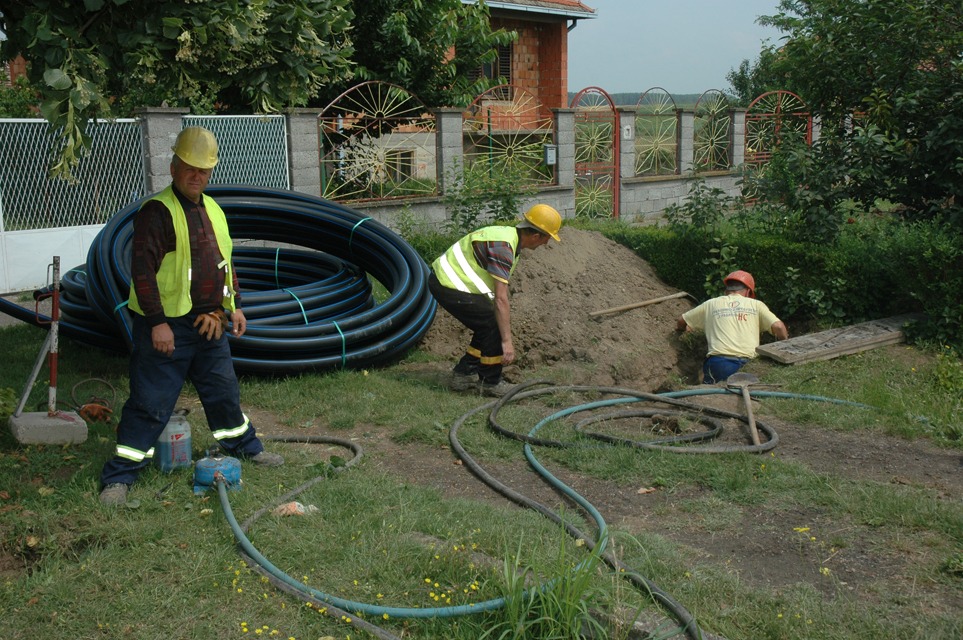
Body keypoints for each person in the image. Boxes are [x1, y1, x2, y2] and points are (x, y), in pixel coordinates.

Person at [99, 127, 283, 506]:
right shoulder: (157, 212)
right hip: (167, 327)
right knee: (151, 401)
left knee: (223, 393)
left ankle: (245, 447)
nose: (196, 176)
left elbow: (224, 265)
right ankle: (120, 476)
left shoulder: (212, 208)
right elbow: (143, 273)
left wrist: (230, 308)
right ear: (173, 166)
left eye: (204, 170)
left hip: (209, 322)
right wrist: (158, 324)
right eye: (190, 168)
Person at [428, 204, 562, 397]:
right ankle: (490, 383)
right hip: (447, 283)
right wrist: (507, 342)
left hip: (448, 281)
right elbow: (500, 299)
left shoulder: (509, 239)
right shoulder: (504, 248)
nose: (546, 243)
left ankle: (464, 373)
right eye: (547, 238)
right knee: (493, 322)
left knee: (487, 322)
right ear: (535, 236)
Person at [677, 270, 789, 384]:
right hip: (749, 365)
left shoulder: (711, 304)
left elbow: (681, 321)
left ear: (726, 291)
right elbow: (779, 327)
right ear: (748, 292)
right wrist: (784, 346)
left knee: (713, 398)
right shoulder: (756, 305)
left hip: (719, 364)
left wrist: (682, 330)